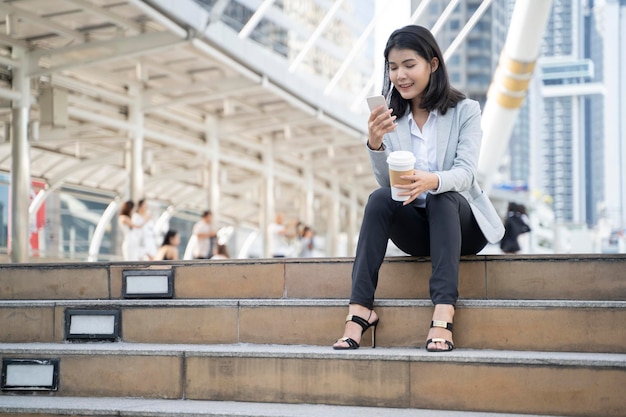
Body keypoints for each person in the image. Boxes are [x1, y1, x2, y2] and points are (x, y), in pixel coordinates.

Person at [332, 25, 504, 352]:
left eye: (409, 65)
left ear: (433, 65)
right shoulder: (391, 117)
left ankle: (443, 312)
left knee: (442, 197)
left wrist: (431, 180)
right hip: (418, 231)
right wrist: (375, 142)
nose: (400, 75)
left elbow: (466, 174)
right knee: (379, 198)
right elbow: (390, 187)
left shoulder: (465, 111)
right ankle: (359, 311)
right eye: (393, 67)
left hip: (460, 226)